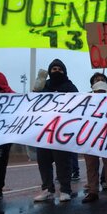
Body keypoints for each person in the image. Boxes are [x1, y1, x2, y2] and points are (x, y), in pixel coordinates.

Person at [33, 59, 78, 202]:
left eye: (59, 69)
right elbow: (31, 105)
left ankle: (65, 190)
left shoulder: (70, 87)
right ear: (49, 71)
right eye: (54, 69)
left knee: (63, 162)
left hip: (62, 131)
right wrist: (35, 91)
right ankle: (47, 189)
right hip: (44, 130)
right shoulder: (43, 86)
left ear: (64, 71)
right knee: (43, 161)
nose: (56, 71)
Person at [82, 72, 107, 204]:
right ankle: (93, 192)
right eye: (97, 80)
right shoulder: (84, 99)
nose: (100, 81)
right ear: (92, 85)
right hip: (89, 137)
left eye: (102, 79)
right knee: (91, 166)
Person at [0, 72, 14, 200]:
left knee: (0, 162)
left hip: (3, 136)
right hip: (3, 135)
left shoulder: (11, 98)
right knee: (1, 163)